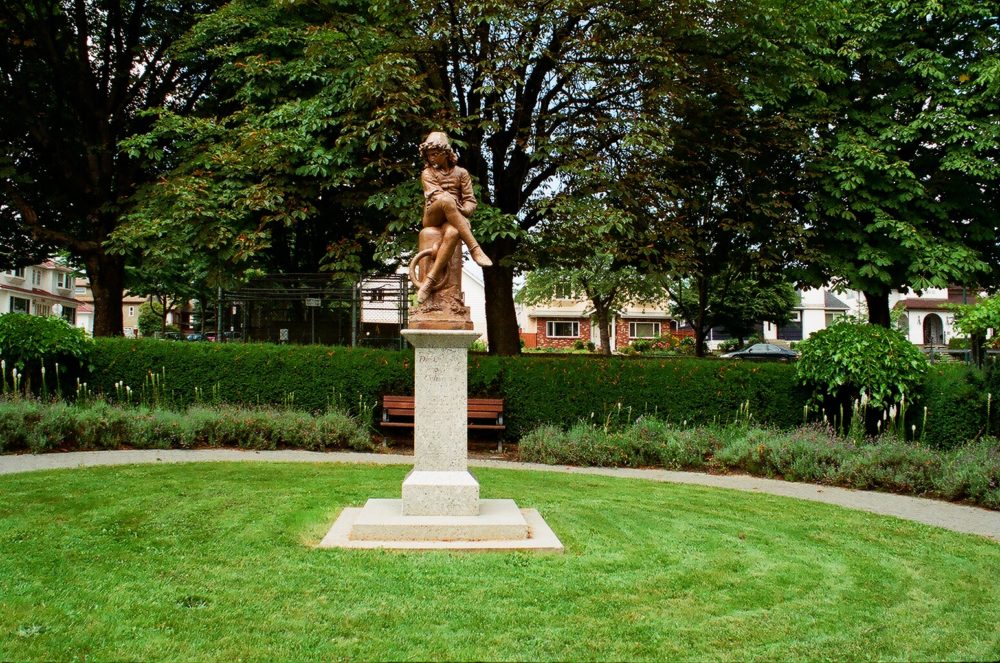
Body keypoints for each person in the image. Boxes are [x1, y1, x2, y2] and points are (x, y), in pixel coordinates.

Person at [416, 132, 492, 304]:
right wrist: (454, 205)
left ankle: (429, 281)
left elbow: (470, 203)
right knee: (446, 199)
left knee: (453, 232)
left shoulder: (462, 173)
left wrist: (462, 211)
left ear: (445, 152)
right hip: (433, 216)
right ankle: (475, 249)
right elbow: (437, 197)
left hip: (451, 219)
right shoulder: (427, 173)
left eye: (435, 153)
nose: (431, 157)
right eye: (429, 155)